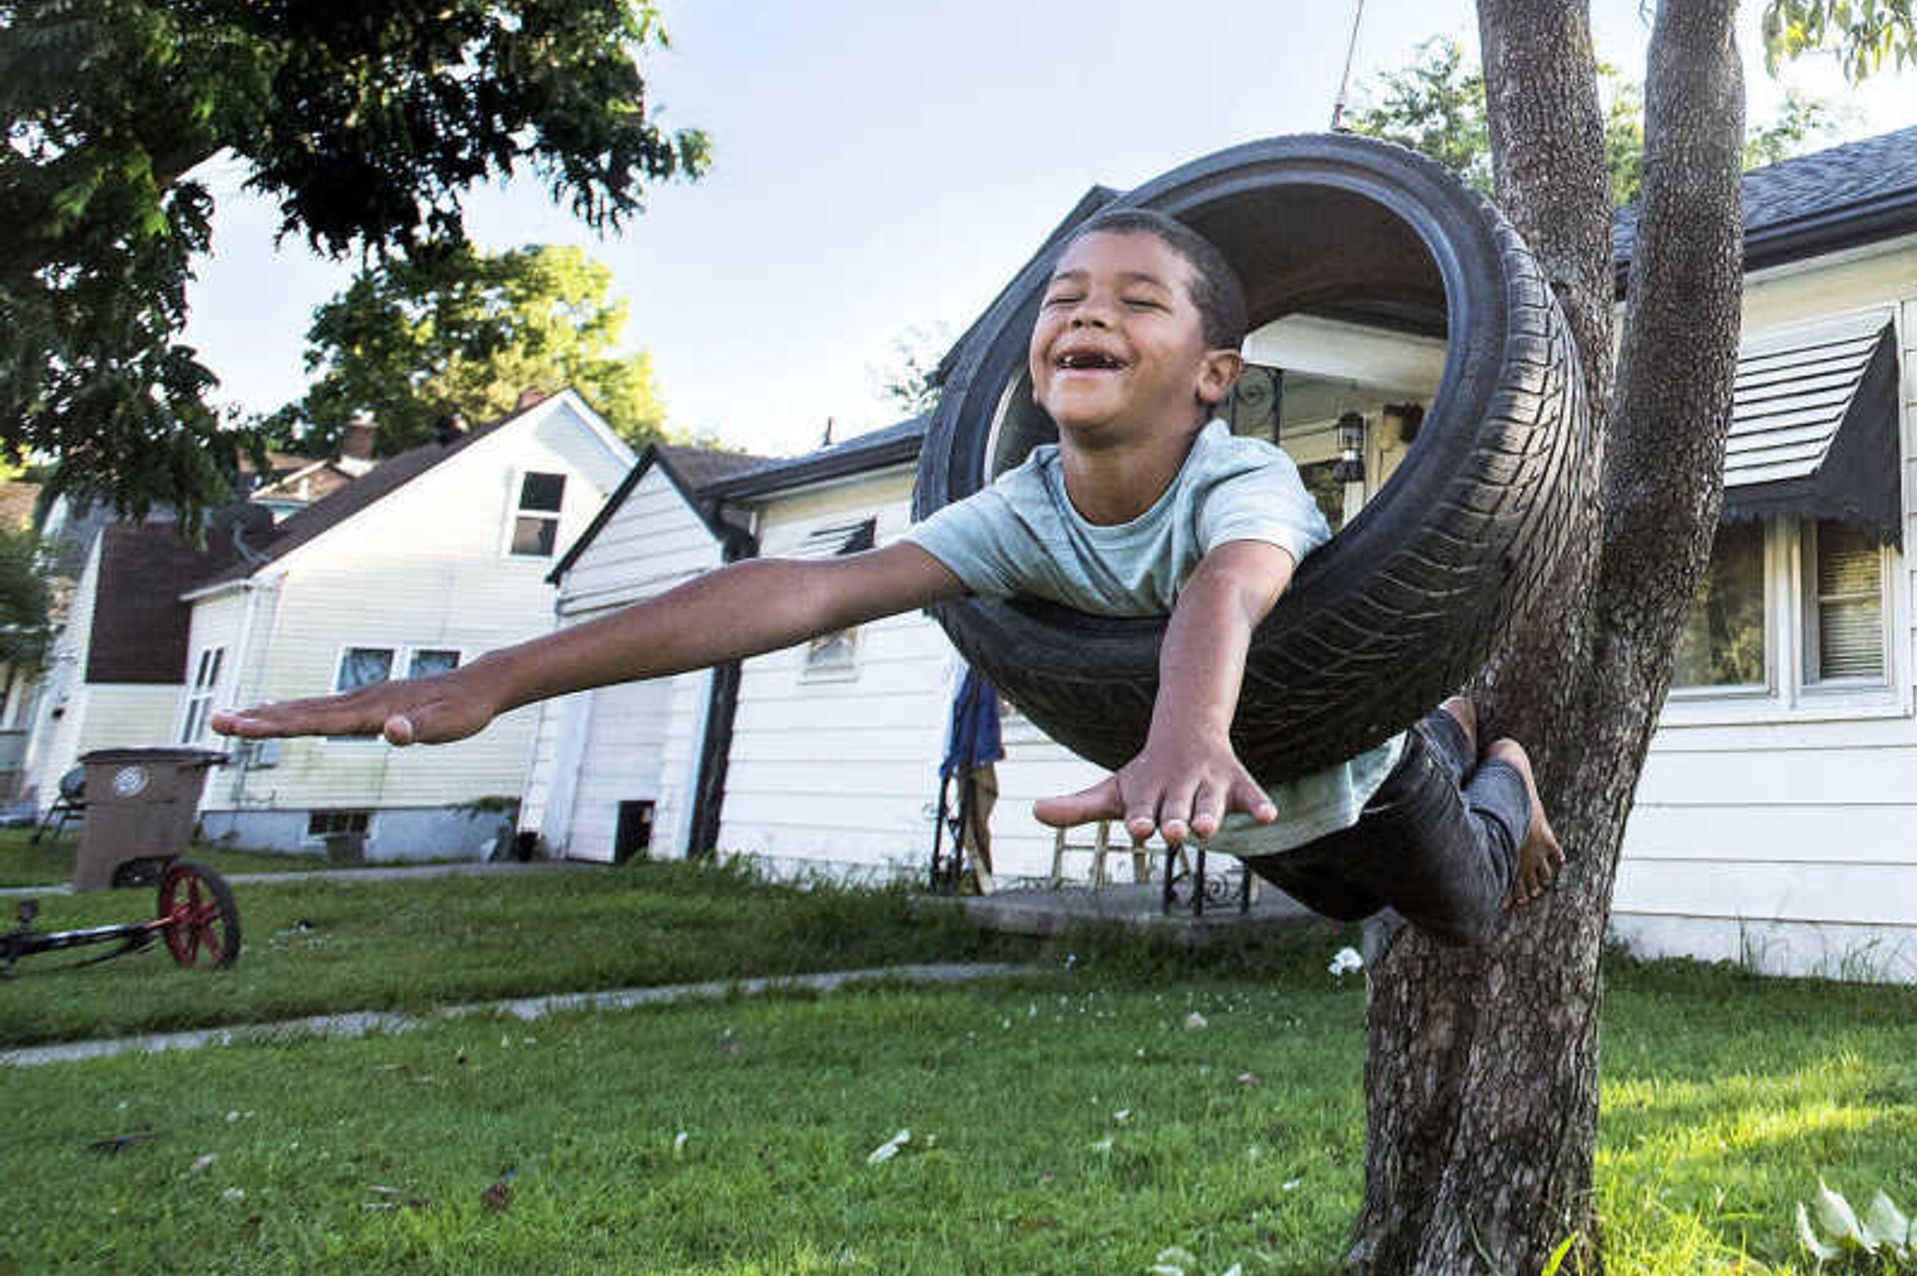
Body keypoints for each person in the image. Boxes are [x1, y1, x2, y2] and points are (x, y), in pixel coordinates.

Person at [212, 211, 1559, 945]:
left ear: (1216, 372)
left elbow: (1228, 586)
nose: (1087, 310)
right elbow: (795, 591)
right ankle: (1439, 733)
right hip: (1248, 815)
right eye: (1064, 296)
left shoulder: (1239, 474)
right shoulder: (1023, 507)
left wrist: (1187, 727)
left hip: (1342, 781)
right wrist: (503, 676)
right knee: (1338, 903)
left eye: (1140, 298)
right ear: (1035, 355)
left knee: (1464, 913)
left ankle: (1497, 763)